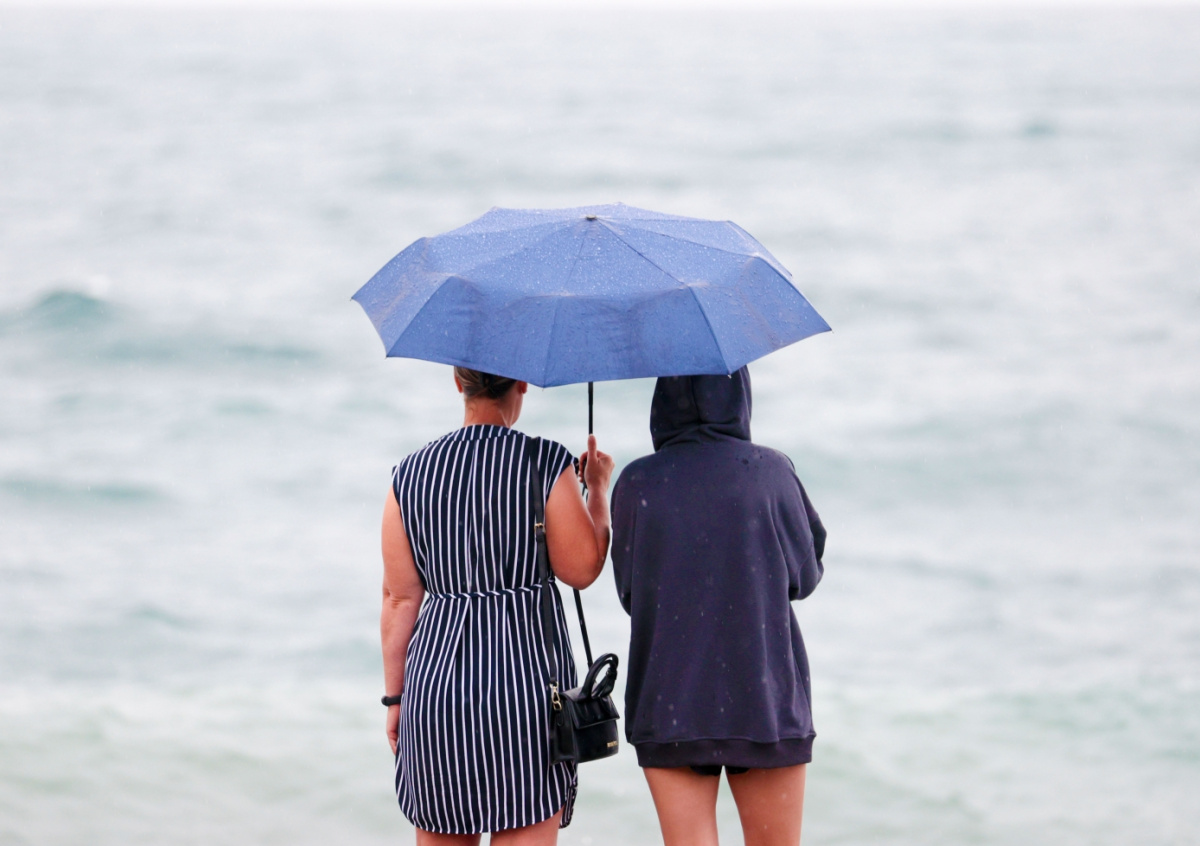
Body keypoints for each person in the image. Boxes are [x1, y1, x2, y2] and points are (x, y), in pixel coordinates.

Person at [379, 367, 614, 846]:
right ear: (522, 382)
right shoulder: (543, 462)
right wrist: (598, 491)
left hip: (437, 693)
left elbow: (399, 600)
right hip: (525, 695)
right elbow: (582, 569)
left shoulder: (410, 475)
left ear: (457, 382)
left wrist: (396, 699)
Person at [610, 367, 826, 846]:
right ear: (738, 395)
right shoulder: (771, 471)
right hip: (763, 699)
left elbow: (631, 595)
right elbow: (805, 577)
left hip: (670, 702)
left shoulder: (635, 482)